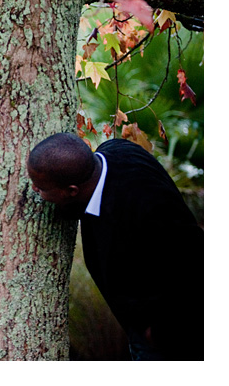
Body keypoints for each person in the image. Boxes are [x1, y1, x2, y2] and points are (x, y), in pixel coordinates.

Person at [27, 133, 203, 361]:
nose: (33, 189)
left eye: (40, 187)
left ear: (71, 190)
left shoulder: (146, 212)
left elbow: (193, 265)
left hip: (174, 338)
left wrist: (159, 333)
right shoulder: (115, 150)